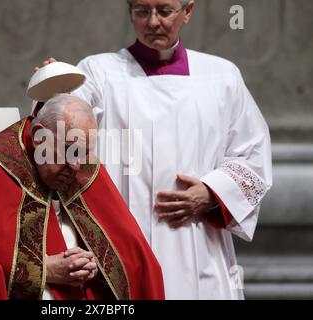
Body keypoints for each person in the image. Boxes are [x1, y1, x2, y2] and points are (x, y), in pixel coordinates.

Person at [38, 0, 273, 299]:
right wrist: (51, 93)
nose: (152, 22)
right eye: (142, 11)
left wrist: (212, 193)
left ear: (187, 11)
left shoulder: (222, 76)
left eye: (164, 11)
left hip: (198, 243)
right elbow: (62, 122)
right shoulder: (99, 71)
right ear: (130, 12)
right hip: (122, 238)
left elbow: (252, 155)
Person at [0, 94, 164, 300]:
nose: (76, 166)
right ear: (39, 135)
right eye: (68, 151)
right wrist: (44, 269)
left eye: (84, 153)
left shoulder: (80, 165)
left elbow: (132, 256)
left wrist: (93, 266)